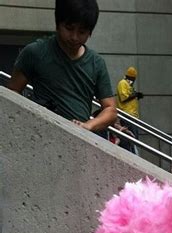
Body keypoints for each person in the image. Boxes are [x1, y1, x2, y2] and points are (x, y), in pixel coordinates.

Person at [7, 0, 116, 133]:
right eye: (69, 29)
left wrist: (89, 125)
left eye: (82, 32)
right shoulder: (35, 52)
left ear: (90, 32)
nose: (74, 37)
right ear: (58, 24)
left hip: (79, 139)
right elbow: (12, 93)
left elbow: (110, 110)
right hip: (39, 134)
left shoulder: (96, 63)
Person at [116, 66, 143, 142]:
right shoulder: (122, 83)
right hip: (127, 115)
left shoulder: (129, 85)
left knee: (134, 138)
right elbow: (123, 98)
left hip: (133, 115)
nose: (133, 81)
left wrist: (136, 95)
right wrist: (135, 95)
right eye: (132, 78)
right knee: (130, 138)